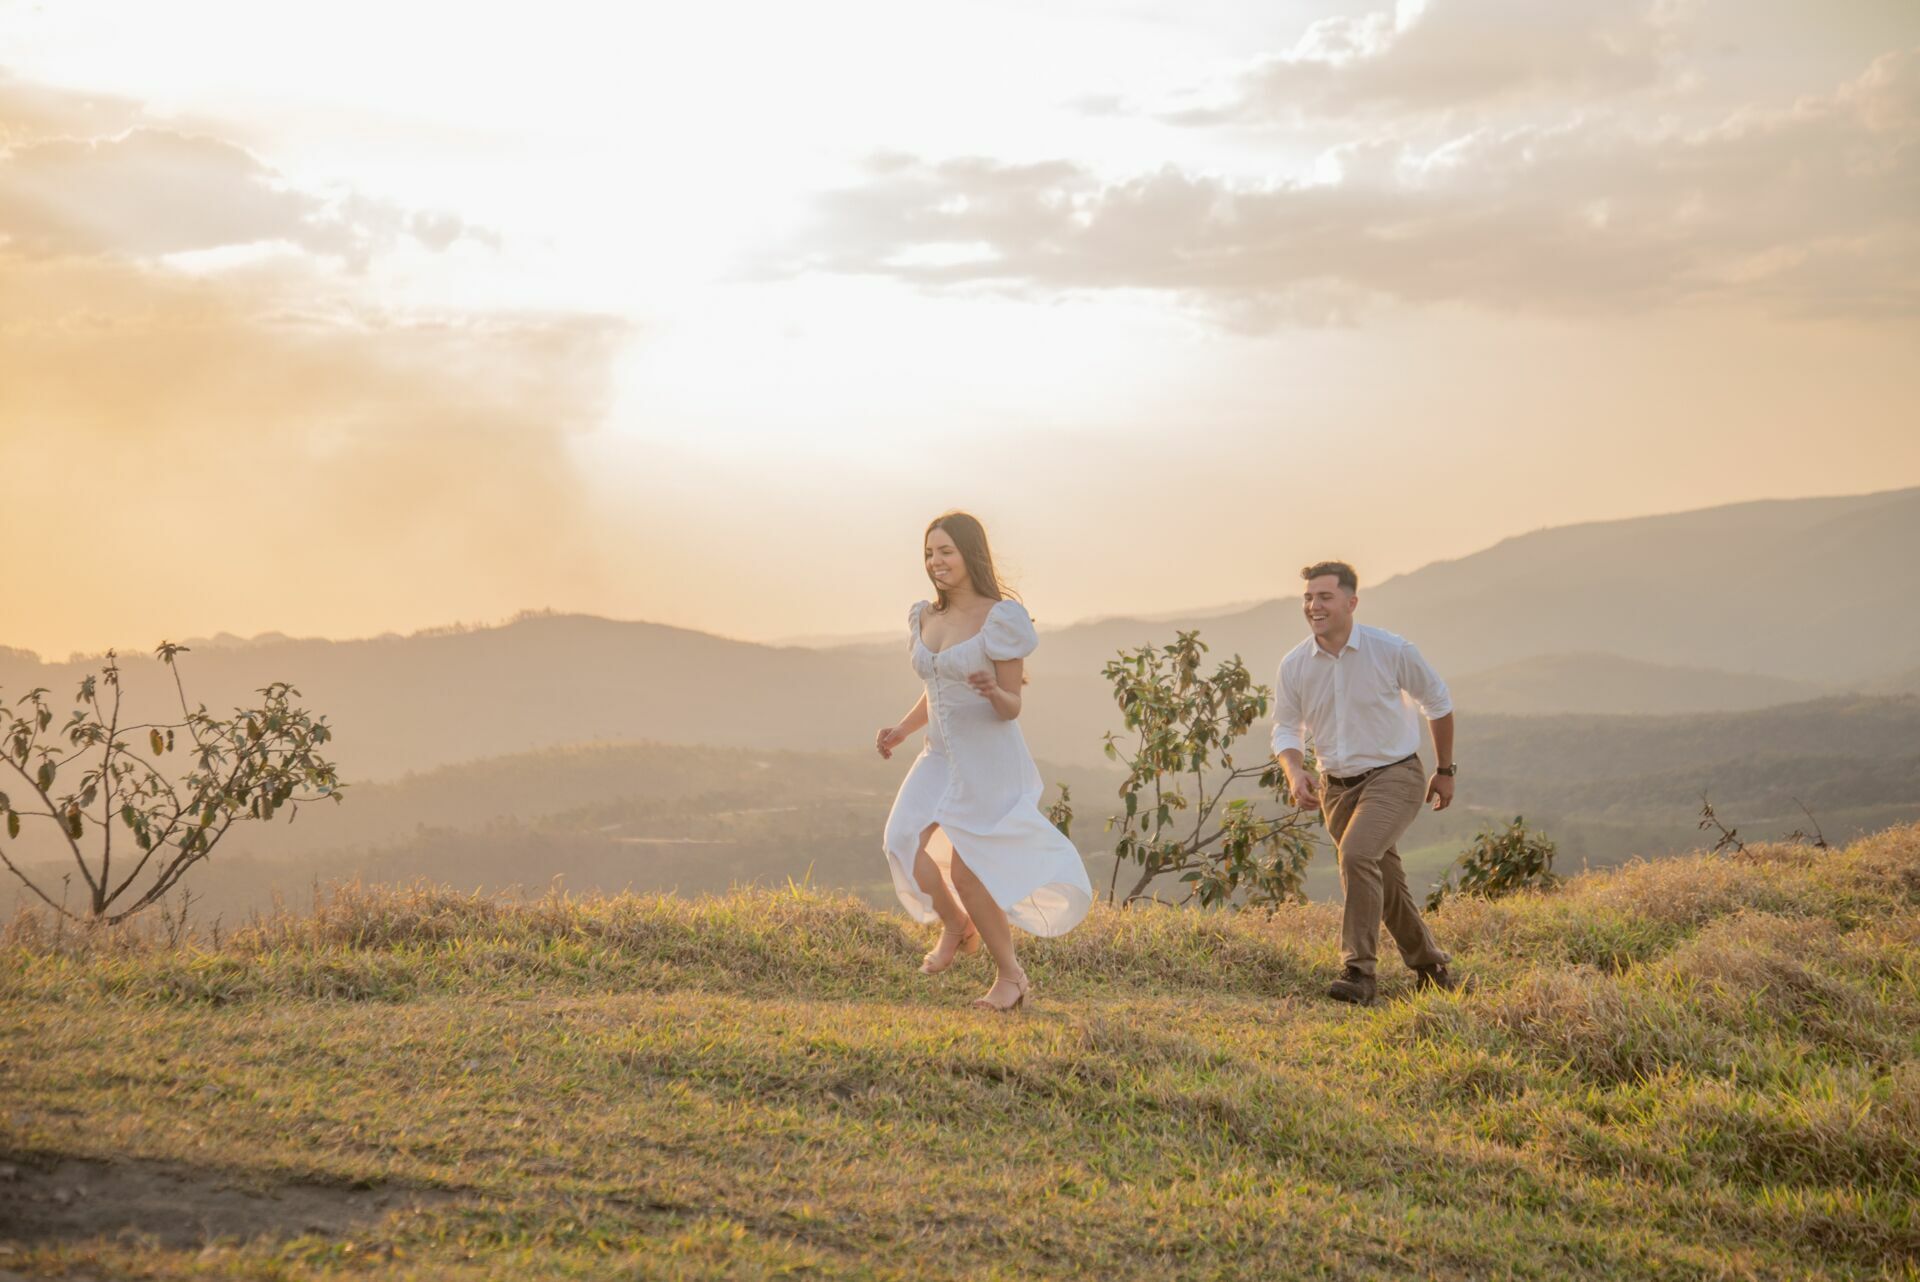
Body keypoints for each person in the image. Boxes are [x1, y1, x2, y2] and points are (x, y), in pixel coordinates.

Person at [874, 511, 1092, 1011]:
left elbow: (1012, 706)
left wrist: (994, 690)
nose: (936, 562)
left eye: (945, 551)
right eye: (929, 553)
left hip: (988, 761)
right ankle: (957, 925)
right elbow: (936, 687)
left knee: (972, 874)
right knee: (901, 842)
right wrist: (903, 731)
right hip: (938, 757)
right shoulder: (924, 616)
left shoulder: (1001, 619)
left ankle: (1011, 978)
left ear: (971, 554)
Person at [1270, 561, 1463, 1005]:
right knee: (1383, 875)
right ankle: (1431, 966)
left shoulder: (1390, 650)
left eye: (1324, 596)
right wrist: (1295, 770)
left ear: (1351, 602)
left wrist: (1446, 770)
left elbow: (1437, 701)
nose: (1313, 606)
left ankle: (1359, 973)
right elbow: (1285, 727)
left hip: (1395, 775)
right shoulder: (1295, 664)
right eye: (1308, 597)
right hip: (1335, 787)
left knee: (1357, 855)